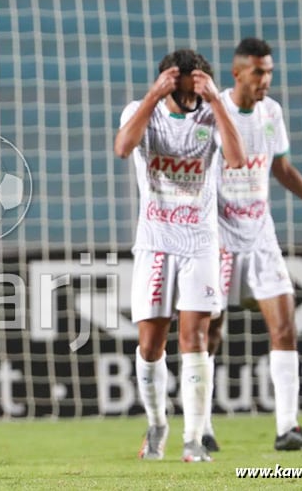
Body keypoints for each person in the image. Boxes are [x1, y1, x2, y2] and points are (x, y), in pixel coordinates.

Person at [201, 37, 302, 453]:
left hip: (261, 237)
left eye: (270, 71)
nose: (266, 79)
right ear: (238, 73)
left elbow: (283, 169)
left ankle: (288, 428)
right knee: (211, 330)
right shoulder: (212, 113)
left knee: (285, 325)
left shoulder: (272, 112)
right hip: (219, 237)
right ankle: (200, 426)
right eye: (259, 72)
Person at [114, 49, 246, 462]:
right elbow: (122, 148)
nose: (192, 101)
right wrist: (154, 96)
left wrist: (218, 101)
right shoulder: (141, 110)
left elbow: (238, 159)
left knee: (196, 339)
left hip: (200, 244)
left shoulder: (211, 114)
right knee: (151, 346)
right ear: (169, 84)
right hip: (155, 242)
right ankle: (157, 425)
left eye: (197, 92)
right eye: (185, 92)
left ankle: (193, 439)